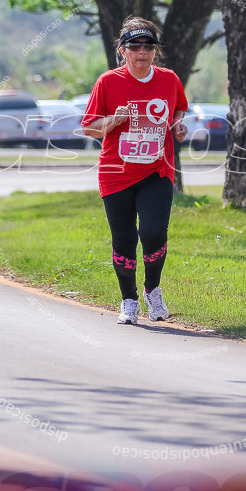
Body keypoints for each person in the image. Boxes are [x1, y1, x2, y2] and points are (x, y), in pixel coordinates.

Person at [81, 17, 188, 325]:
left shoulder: (169, 79)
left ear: (156, 50)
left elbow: (179, 107)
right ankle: (128, 299)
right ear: (123, 50)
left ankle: (152, 289)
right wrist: (114, 120)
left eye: (149, 46)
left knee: (153, 232)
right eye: (135, 47)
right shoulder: (108, 82)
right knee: (124, 239)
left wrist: (177, 125)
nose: (142, 53)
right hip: (116, 173)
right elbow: (89, 127)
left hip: (158, 170)